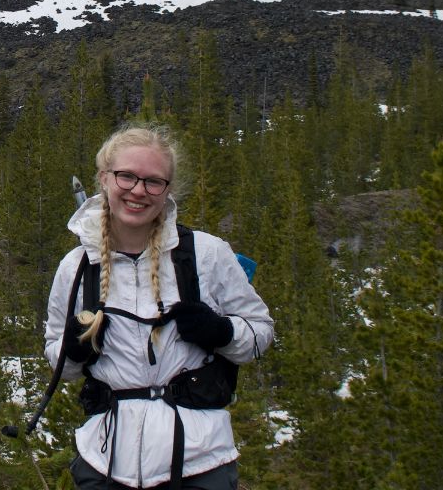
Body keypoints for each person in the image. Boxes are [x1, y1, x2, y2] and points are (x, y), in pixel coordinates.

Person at [44, 122, 273, 490]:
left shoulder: (206, 253)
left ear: (167, 191)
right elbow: (60, 364)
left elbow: (261, 333)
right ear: (104, 178)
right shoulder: (75, 267)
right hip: (104, 463)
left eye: (153, 181)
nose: (138, 191)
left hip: (201, 461)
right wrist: (72, 350)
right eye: (126, 177)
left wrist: (223, 331)